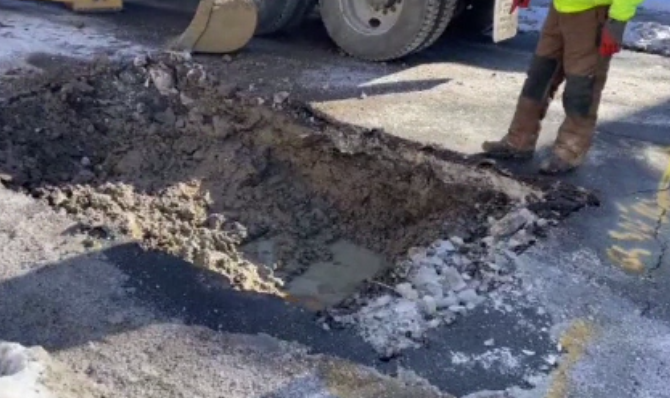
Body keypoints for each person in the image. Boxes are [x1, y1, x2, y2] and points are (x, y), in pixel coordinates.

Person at [482, 0, 645, 174]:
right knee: (540, 75)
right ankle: (518, 141)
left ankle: (569, 151)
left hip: (592, 14)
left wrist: (617, 20)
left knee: (581, 85)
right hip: (559, 8)